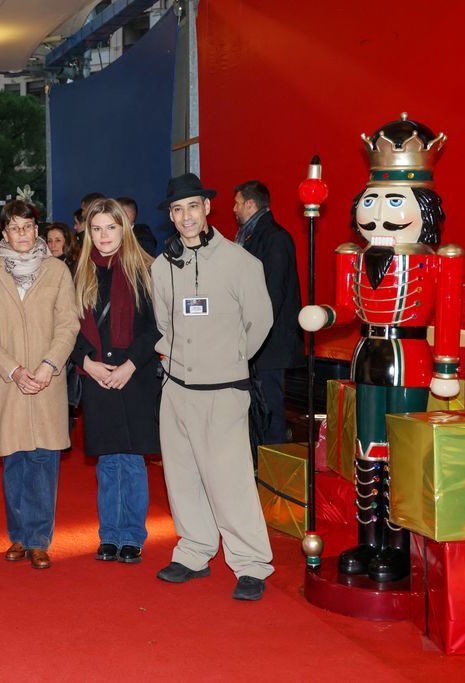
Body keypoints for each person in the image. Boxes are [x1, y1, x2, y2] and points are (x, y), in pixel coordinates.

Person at [299, 115, 458, 583]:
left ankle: (401, 544)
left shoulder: (439, 260)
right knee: (368, 450)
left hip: (411, 361)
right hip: (367, 357)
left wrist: (445, 364)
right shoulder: (352, 254)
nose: (380, 212)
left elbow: (446, 315)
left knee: (404, 452)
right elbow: (347, 308)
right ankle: (370, 542)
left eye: (394, 200)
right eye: (373, 200)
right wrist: (324, 314)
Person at [151, 172, 274, 601]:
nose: (185, 216)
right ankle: (194, 551)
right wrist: (175, 366)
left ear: (207, 208)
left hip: (224, 389)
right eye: (177, 209)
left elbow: (260, 324)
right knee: (182, 478)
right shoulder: (162, 264)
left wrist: (231, 359)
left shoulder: (242, 263)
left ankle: (251, 562)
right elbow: (163, 321)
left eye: (192, 206)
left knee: (231, 480)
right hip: (177, 387)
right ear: (171, 215)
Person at [0, 200, 79, 570]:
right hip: (8, 381)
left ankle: (39, 540)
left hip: (46, 380)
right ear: (4, 232)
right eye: (14, 228)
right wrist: (13, 369)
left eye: (27, 227)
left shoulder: (56, 271)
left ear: (35, 231)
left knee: (43, 460)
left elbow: (68, 324)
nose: (21, 235)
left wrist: (47, 365)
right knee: (14, 462)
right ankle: (19, 537)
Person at [72, 198, 161, 566]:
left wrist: (130, 364)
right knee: (109, 461)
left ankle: (132, 537)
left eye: (111, 227)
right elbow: (66, 327)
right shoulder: (79, 274)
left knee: (133, 460)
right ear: (88, 234)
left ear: (124, 228)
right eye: (97, 229)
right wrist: (86, 362)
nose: (104, 235)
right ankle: (109, 536)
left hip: (134, 377)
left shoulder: (147, 270)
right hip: (96, 376)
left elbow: (157, 328)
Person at [232, 180, 304, 447]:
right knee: (257, 405)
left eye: (237, 203)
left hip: (270, 340)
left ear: (250, 204)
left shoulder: (274, 237)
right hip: (255, 337)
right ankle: (258, 457)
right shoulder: (251, 236)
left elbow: (274, 293)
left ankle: (274, 462)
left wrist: (253, 330)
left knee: (270, 404)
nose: (234, 209)